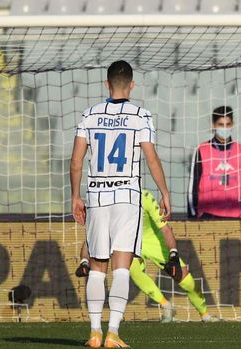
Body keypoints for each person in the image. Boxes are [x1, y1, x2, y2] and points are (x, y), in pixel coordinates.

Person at [71, 60, 171, 348]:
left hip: (97, 195)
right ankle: (113, 332)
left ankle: (94, 332)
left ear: (106, 84)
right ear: (131, 85)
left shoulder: (89, 115)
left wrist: (75, 196)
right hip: (127, 197)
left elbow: (76, 161)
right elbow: (151, 157)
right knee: (123, 266)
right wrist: (164, 191)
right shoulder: (141, 115)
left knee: (97, 265)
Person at [75, 190, 219, 323]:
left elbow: (165, 229)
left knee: (186, 281)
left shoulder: (144, 197)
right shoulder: (106, 202)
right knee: (132, 270)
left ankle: (204, 314)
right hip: (129, 243)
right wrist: (84, 261)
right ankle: (166, 305)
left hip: (154, 241)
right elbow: (91, 237)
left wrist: (173, 254)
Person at [188, 106, 241, 219]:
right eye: (221, 125)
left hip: (236, 214)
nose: (225, 129)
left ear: (232, 124)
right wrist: (193, 215)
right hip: (208, 215)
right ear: (214, 125)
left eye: (228, 124)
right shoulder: (201, 150)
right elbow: (193, 186)